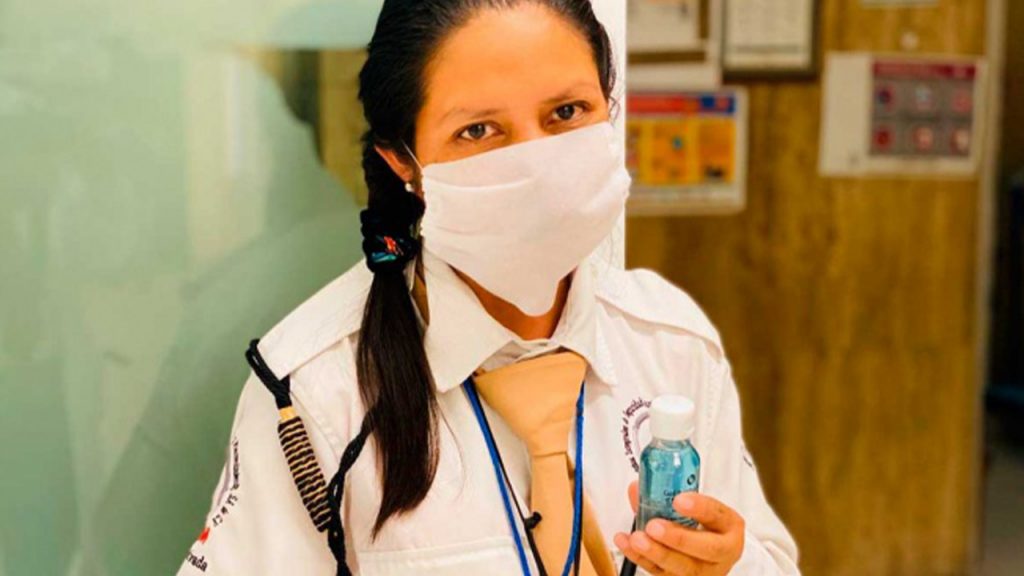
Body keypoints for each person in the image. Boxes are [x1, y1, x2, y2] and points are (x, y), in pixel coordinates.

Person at [177, 1, 800, 574]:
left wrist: (730, 565)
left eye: (567, 113)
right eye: (478, 130)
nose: (537, 165)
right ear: (403, 162)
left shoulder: (673, 343)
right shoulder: (315, 388)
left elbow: (764, 557)